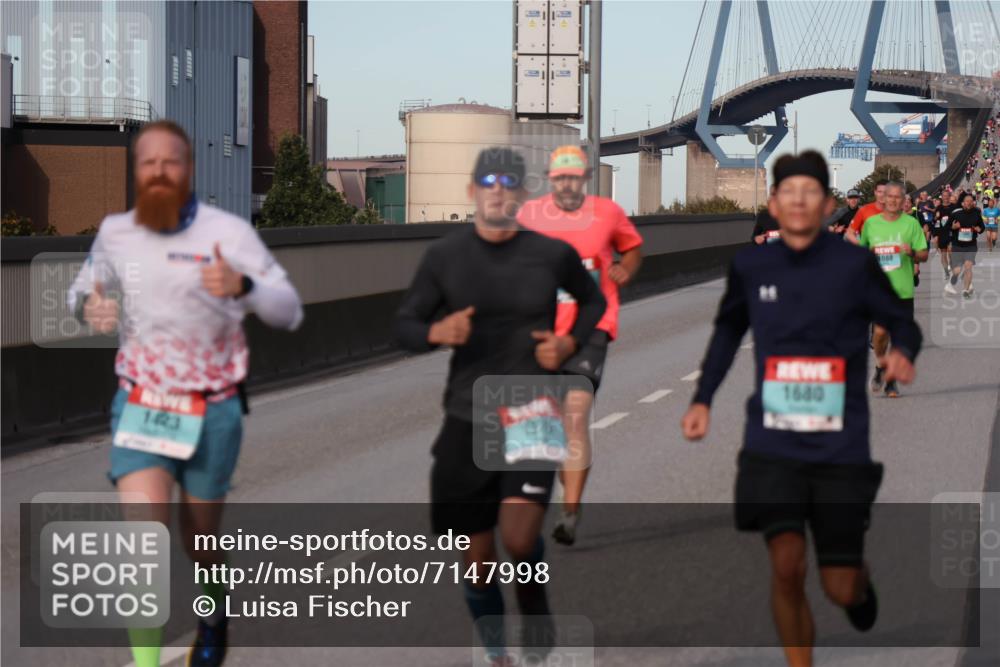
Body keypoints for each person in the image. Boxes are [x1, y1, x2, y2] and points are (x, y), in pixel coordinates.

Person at [68, 120, 304, 667]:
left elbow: (289, 309)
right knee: (143, 542)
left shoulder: (228, 234)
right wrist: (89, 307)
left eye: (169, 162)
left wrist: (244, 287)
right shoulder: (116, 233)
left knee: (200, 539)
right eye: (146, 163)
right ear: (136, 172)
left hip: (212, 406)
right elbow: (82, 291)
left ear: (188, 170)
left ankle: (214, 610)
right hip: (143, 401)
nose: (157, 172)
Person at [681, 151, 921, 667]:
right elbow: (727, 333)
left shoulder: (854, 265)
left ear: (828, 205)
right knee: (786, 567)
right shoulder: (751, 265)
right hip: (774, 441)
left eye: (809, 193)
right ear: (773, 204)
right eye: (788, 193)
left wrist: (903, 350)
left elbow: (903, 321)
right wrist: (702, 398)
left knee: (839, 587)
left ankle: (858, 587)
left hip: (840, 444)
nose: (797, 202)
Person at [394, 147, 606, 665]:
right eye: (488, 182)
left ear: (522, 194)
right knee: (477, 561)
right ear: (473, 191)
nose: (498, 191)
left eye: (509, 183)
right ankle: (496, 655)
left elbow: (594, 301)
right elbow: (404, 325)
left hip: (531, 406)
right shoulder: (445, 257)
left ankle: (535, 616)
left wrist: (570, 343)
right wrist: (437, 331)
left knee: (518, 538)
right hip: (468, 415)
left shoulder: (548, 253)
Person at [517, 145, 643, 546]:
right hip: (540, 331)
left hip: (592, 328)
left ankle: (569, 513)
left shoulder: (607, 213)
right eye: (560, 178)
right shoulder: (529, 216)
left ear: (585, 179)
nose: (567, 184)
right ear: (550, 179)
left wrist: (625, 267)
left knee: (574, 417)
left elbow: (633, 247)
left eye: (574, 177)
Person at [856, 182, 928, 398]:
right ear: (883, 199)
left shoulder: (911, 224)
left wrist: (912, 253)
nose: (895, 200)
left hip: (903, 291)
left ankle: (891, 381)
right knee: (879, 335)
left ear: (903, 200)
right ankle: (881, 366)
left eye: (899, 197)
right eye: (891, 197)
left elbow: (923, 255)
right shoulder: (871, 224)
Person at [946, 192, 986, 299]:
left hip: (971, 245)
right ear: (963, 203)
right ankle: (952, 281)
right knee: (957, 271)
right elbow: (947, 226)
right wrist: (953, 227)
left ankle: (966, 290)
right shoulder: (956, 213)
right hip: (957, 245)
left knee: (968, 267)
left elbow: (982, 227)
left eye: (970, 201)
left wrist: (979, 229)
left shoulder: (976, 213)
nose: (968, 203)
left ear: (973, 203)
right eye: (966, 201)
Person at [932, 191, 955, 280]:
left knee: (951, 251)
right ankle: (946, 272)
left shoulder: (953, 207)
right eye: (944, 196)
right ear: (942, 197)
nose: (945, 197)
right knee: (943, 254)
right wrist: (936, 217)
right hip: (942, 233)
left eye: (947, 196)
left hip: (951, 232)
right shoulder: (939, 208)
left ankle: (951, 265)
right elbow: (934, 222)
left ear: (949, 196)